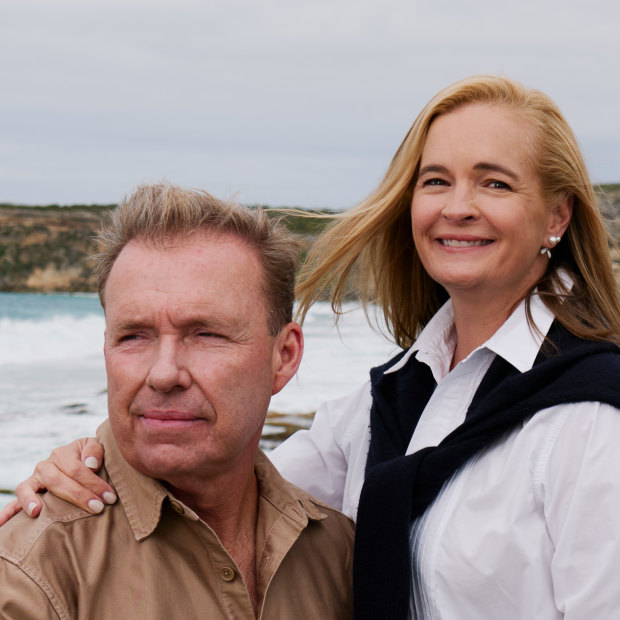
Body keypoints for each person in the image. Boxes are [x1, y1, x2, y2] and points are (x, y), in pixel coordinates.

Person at [4, 76, 620, 619]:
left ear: (556, 216)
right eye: (436, 181)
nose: (458, 207)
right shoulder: (387, 403)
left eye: (495, 183)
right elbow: (234, 476)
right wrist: (88, 461)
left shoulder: (592, 418)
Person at [0, 184, 354, 619]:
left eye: (206, 334)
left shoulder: (338, 553)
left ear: (284, 356)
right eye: (134, 336)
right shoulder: (31, 567)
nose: (164, 373)